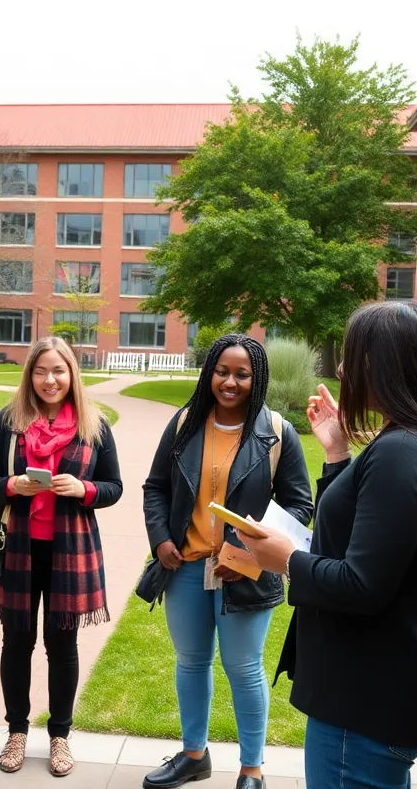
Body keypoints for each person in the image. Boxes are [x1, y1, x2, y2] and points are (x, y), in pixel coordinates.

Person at [239, 301, 417, 789]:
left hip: (366, 698)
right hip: (384, 686)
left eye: (355, 356)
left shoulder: (403, 451)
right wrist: (336, 454)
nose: (345, 369)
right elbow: (353, 533)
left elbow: (362, 584)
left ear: (389, 366)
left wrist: (284, 559)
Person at [141, 334, 314, 789]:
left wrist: (247, 555)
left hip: (246, 572)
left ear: (257, 379)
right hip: (187, 569)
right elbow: (155, 488)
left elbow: (299, 506)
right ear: (209, 373)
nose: (230, 382)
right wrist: (160, 538)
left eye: (242, 374)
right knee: (191, 662)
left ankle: (252, 769)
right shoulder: (183, 426)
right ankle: (194, 755)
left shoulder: (276, 433)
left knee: (243, 668)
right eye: (222, 371)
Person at [0, 336, 123, 777]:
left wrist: (85, 489)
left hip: (70, 551)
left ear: (71, 374)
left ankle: (60, 737)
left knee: (63, 645)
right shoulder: (9, 422)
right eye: (40, 371)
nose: (49, 380)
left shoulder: (94, 425)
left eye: (58, 371)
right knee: (17, 641)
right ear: (30, 375)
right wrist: (11, 485)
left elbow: (114, 487)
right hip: (16, 547)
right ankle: (16, 731)